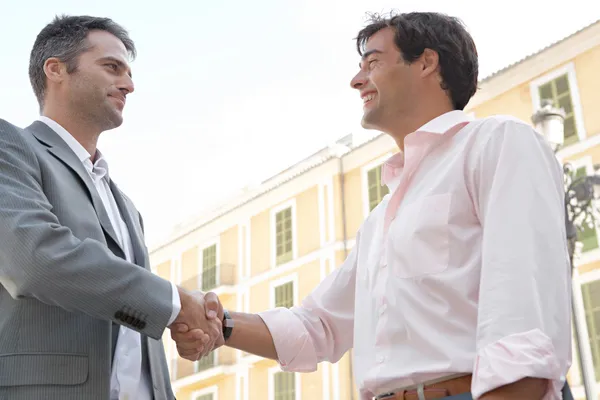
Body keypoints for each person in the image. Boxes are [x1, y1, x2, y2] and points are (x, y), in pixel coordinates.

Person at [171, 11, 573, 400]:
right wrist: (220, 325)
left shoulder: (499, 142)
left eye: (373, 63)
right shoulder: (380, 221)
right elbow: (317, 326)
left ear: (426, 63)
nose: (356, 79)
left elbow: (524, 317)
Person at [0, 15, 220, 400]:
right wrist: (173, 303)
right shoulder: (10, 146)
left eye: (129, 73)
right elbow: (34, 258)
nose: (129, 85)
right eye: (112, 67)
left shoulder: (126, 205)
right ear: (56, 69)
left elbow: (129, 307)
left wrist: (182, 328)